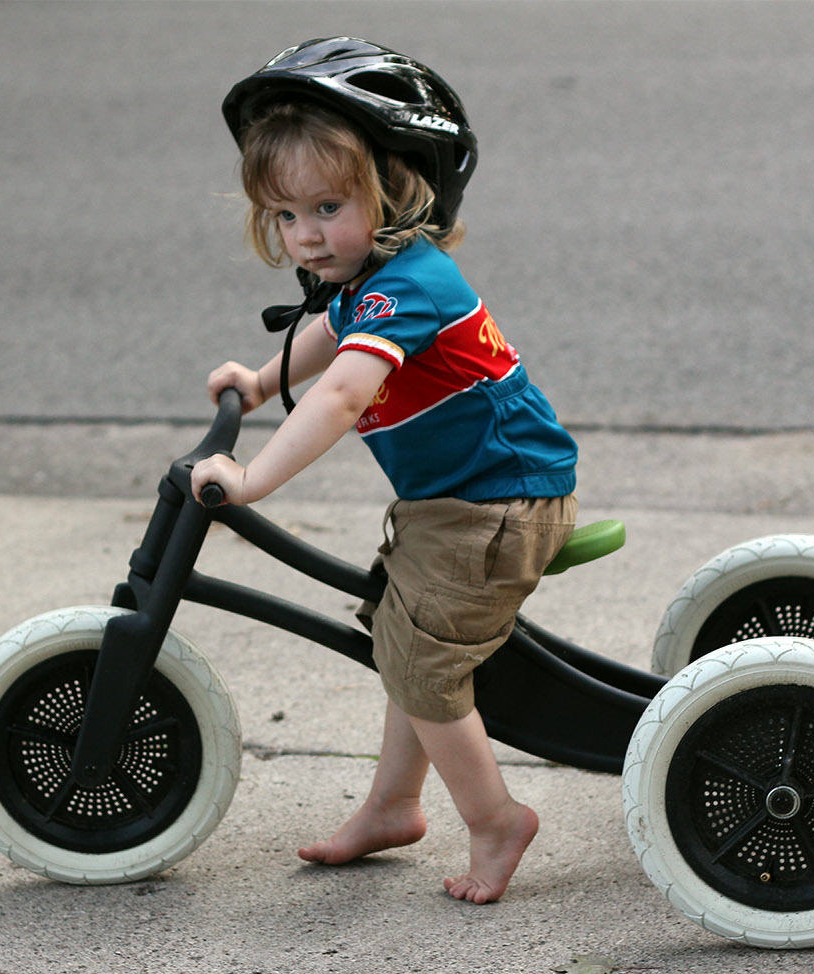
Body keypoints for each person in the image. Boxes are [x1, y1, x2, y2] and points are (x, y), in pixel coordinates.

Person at [192, 37, 578, 904]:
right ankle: (394, 806)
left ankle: (494, 821)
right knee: (398, 641)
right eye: (285, 215)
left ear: (397, 189)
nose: (305, 235)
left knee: (421, 665)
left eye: (328, 206)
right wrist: (259, 382)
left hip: (498, 507)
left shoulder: (412, 286)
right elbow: (327, 336)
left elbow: (337, 396)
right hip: (458, 504)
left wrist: (249, 479)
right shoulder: (374, 280)